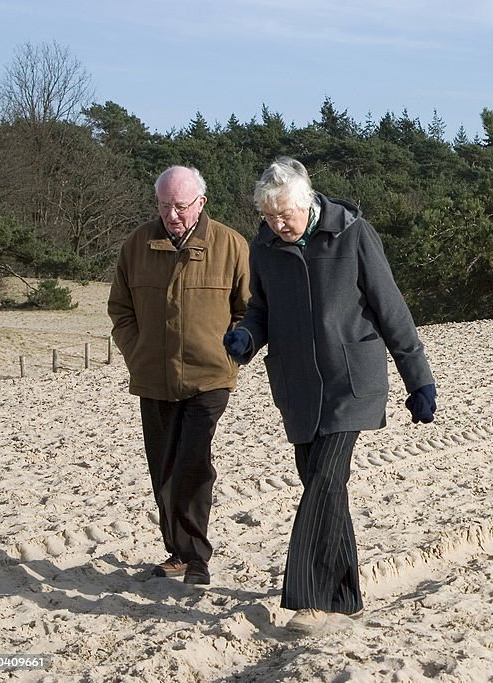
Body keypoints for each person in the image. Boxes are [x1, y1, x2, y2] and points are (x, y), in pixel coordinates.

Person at [223, 156, 436, 634]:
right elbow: (261, 308)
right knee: (325, 488)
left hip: (350, 383)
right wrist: (246, 337)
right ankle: (345, 596)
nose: (278, 225)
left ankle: (309, 599)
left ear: (307, 203)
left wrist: (417, 378)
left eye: (285, 216)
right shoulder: (264, 247)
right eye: (269, 217)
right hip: (297, 387)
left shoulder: (353, 233)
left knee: (322, 481)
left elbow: (391, 307)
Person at [108, 166, 250, 586]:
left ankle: (196, 557)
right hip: (153, 377)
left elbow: (248, 310)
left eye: (181, 206)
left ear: (200, 203)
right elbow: (120, 309)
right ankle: (177, 552)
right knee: (164, 468)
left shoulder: (230, 245)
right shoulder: (136, 245)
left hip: (210, 378)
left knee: (193, 461)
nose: (173, 215)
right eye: (166, 205)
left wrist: (230, 356)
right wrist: (137, 354)